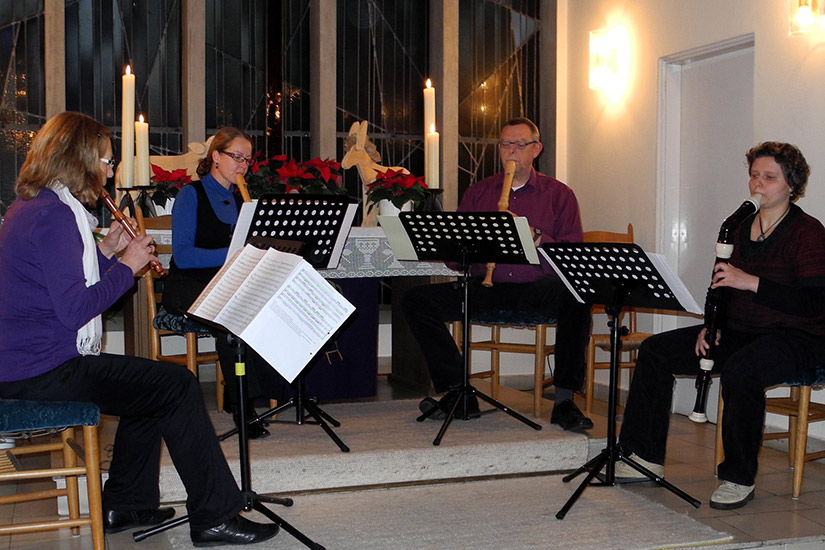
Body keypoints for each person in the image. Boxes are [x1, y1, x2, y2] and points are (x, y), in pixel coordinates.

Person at [0, 112, 279, 545]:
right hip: (40, 368)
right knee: (177, 385)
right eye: (107, 162)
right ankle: (214, 516)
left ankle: (126, 503)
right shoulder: (55, 216)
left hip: (25, 361)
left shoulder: (35, 205)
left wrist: (108, 253)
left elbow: (60, 285)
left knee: (148, 386)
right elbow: (75, 310)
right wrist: (127, 267)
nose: (111, 172)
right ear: (80, 159)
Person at [615, 142, 825, 510]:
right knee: (655, 351)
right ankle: (643, 457)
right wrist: (711, 325)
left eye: (769, 177)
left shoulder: (808, 232)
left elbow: (814, 303)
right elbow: (721, 287)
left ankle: (738, 478)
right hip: (740, 330)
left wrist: (753, 282)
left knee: (742, 370)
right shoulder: (738, 227)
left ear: (792, 184)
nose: (757, 184)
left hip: (798, 337)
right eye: (754, 175)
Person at [402, 117, 593, 431]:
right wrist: (461, 248)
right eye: (505, 144)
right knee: (416, 300)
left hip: (537, 288)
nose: (511, 151)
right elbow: (455, 261)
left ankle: (563, 401)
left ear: (536, 149)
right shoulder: (479, 192)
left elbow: (572, 259)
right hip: (486, 286)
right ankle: (457, 391)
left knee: (578, 296)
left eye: (519, 144)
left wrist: (536, 238)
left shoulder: (559, 194)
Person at [162, 127, 286, 439]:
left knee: (270, 305)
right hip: (189, 284)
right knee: (233, 314)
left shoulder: (244, 201)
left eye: (248, 160)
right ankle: (243, 405)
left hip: (229, 283)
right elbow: (184, 256)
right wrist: (234, 252)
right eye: (237, 157)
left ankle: (250, 391)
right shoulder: (191, 195)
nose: (243, 166)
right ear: (216, 156)